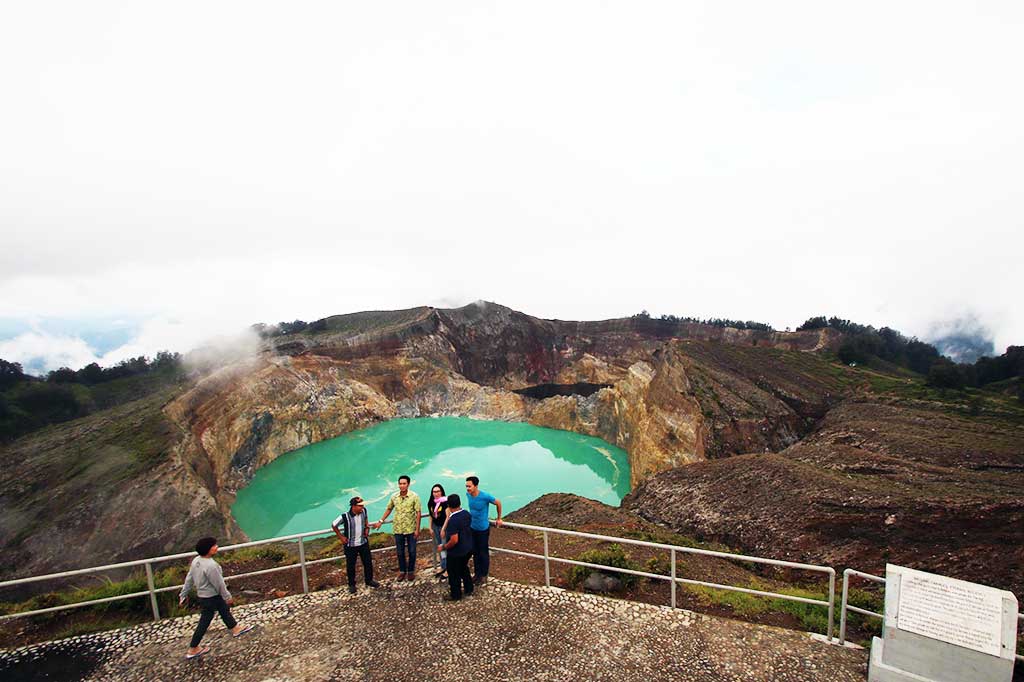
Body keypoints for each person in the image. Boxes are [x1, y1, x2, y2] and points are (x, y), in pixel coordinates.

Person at [178, 536, 255, 659]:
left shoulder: (196, 561)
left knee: (224, 610)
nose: (216, 547)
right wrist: (227, 596)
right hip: (211, 596)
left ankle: (235, 628)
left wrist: (183, 593)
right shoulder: (211, 566)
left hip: (204, 596)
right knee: (204, 621)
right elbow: (219, 584)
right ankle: (193, 648)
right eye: (214, 545)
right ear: (208, 549)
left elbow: (189, 578)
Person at [373, 474, 422, 581]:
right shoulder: (394, 497)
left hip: (411, 529)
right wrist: (381, 521)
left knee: (412, 551)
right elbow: (389, 509)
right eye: (400, 484)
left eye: (404, 484)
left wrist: (417, 529)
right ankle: (402, 571)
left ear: (408, 484)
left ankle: (411, 571)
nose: (402, 486)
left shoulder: (414, 496)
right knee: (400, 552)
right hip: (398, 529)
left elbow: (418, 513)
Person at [332, 496, 381, 594]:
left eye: (362, 506)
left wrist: (367, 528)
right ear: (353, 506)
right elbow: (334, 525)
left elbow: (366, 519)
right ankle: (352, 585)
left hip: (363, 542)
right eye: (360, 506)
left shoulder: (364, 511)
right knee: (351, 566)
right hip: (350, 545)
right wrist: (341, 537)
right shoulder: (345, 516)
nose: (362, 507)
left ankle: (369, 580)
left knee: (367, 562)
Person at [465, 475, 503, 586]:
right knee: (475, 552)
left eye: (469, 486)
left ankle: (484, 575)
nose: (467, 488)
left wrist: (499, 518)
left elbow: (498, 503)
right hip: (472, 528)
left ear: (476, 486)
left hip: (483, 529)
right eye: (466, 486)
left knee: (483, 552)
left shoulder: (485, 496)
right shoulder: (468, 495)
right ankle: (477, 574)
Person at [438, 493, 474, 601]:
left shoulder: (453, 521)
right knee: (464, 568)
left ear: (448, 506)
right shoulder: (466, 514)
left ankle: (456, 595)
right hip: (468, 548)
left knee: (453, 574)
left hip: (457, 552)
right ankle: (469, 589)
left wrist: (444, 547)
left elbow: (454, 540)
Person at [427, 483, 449, 579]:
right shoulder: (431, 502)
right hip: (436, 527)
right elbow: (431, 515)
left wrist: (443, 529)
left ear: (441, 492)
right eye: (434, 492)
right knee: (440, 546)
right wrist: (430, 527)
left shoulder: (445, 502)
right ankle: (443, 566)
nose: (436, 493)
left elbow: (448, 517)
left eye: (437, 491)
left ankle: (448, 569)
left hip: (444, 527)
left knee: (444, 547)